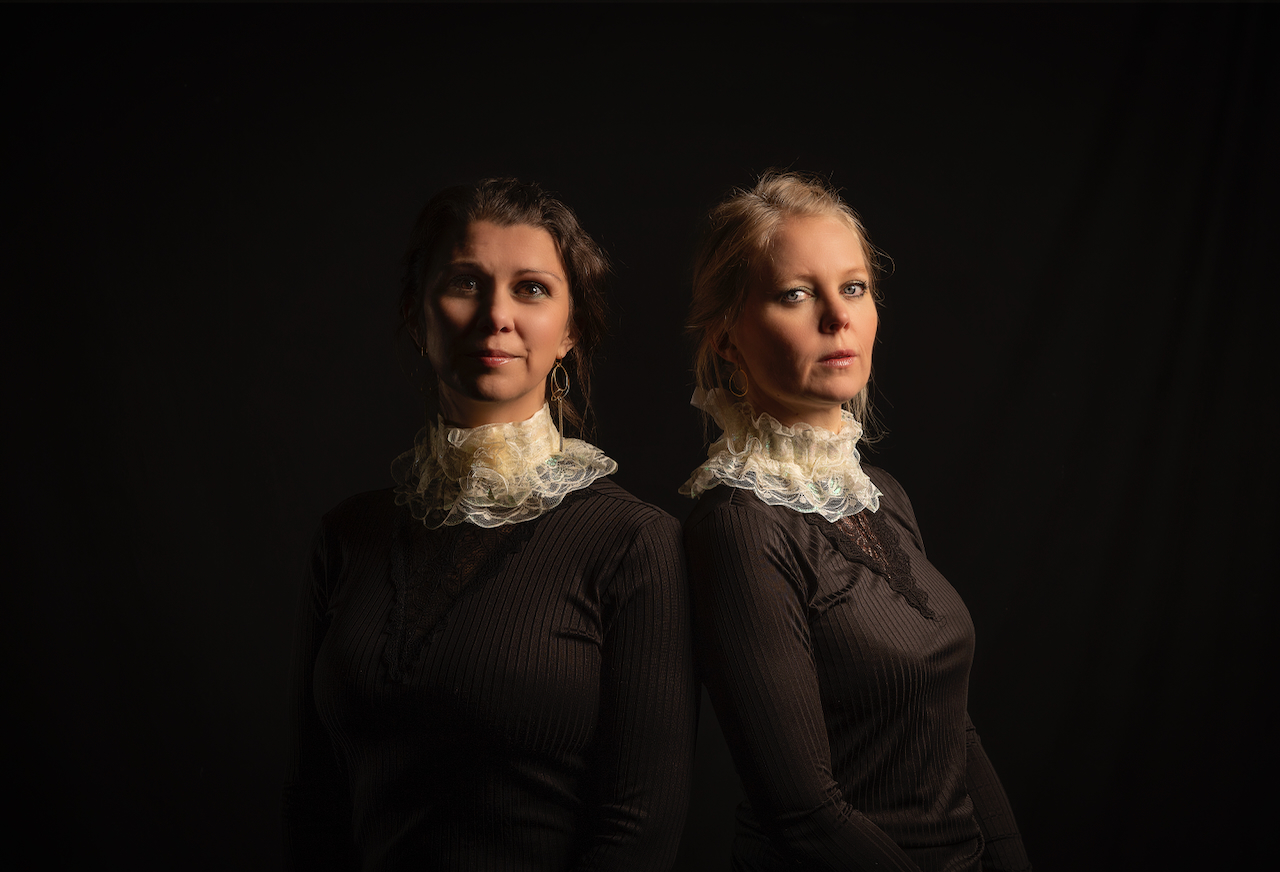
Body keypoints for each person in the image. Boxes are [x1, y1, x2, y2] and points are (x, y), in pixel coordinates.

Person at [283, 178, 697, 871]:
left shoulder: (633, 543)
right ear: (417, 314)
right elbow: (311, 805)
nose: (496, 315)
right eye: (465, 284)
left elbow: (639, 830)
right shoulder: (348, 535)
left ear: (570, 330)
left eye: (531, 289)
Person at [681, 172, 1031, 871]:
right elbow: (803, 813)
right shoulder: (740, 525)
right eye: (795, 294)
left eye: (853, 288)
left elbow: (952, 729)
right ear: (727, 338)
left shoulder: (880, 494)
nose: (837, 318)